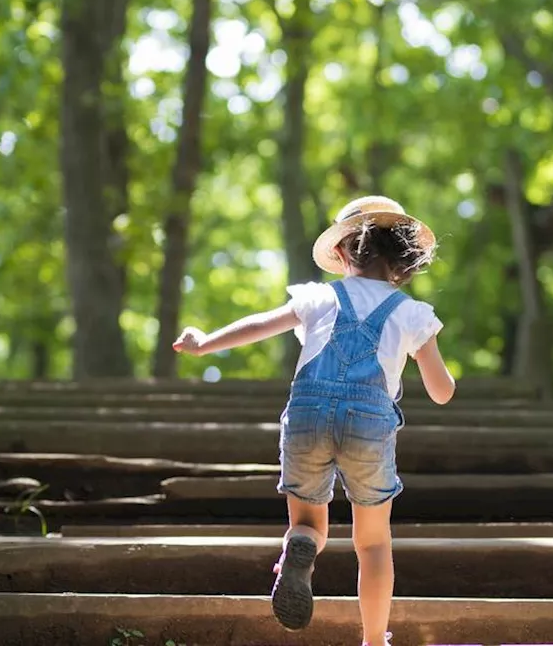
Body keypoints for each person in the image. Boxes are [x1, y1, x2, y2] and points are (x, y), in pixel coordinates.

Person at [173, 196, 456, 646]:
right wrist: (427, 359)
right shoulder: (411, 313)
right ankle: (372, 639)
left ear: (342, 255)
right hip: (369, 426)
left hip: (307, 415)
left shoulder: (320, 296)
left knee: (308, 522)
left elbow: (261, 323)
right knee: (374, 543)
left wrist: (205, 344)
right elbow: (442, 392)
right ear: (403, 263)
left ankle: (300, 547)